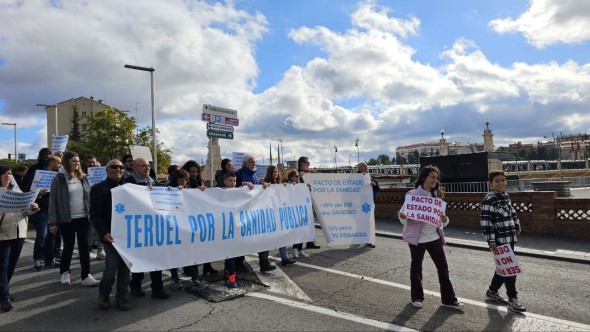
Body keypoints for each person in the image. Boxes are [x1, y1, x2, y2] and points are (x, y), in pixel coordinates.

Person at [397, 165, 463, 310]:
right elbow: (402, 214)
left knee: (443, 268)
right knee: (416, 267)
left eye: (436, 178)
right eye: (432, 177)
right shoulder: (412, 194)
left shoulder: (436, 196)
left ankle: (449, 299)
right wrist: (403, 216)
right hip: (418, 239)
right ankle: (416, 297)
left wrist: (445, 219)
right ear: (424, 177)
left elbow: (441, 220)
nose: (435, 180)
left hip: (434, 237)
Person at [48, 151, 99, 287]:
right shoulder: (58, 179)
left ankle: (86, 275)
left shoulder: (84, 177)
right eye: (73, 161)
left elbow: (89, 196)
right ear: (66, 162)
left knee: (84, 247)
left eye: (78, 161)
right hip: (67, 219)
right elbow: (53, 201)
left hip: (84, 218)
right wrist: (52, 222)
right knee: (68, 247)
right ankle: (65, 272)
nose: (77, 163)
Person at [480, 170, 526, 313]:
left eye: (502, 180)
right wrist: (491, 242)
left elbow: (512, 212)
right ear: (491, 184)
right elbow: (486, 223)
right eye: (497, 181)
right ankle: (512, 299)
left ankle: (492, 291)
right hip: (499, 240)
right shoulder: (489, 200)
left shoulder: (505, 196)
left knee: (503, 267)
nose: (500, 183)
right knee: (509, 269)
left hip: (509, 238)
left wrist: (516, 225)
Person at [125, 157, 169, 299]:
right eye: (143, 166)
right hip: (137, 226)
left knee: (156, 258)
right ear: (135, 167)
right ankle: (135, 286)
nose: (147, 168)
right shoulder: (128, 182)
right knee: (140, 258)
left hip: (153, 226)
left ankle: (157, 288)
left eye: (148, 166)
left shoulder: (153, 181)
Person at [91, 159, 132, 311]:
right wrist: (103, 232)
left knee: (125, 269)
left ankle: (122, 297)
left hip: (127, 236)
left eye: (121, 167)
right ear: (107, 170)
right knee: (112, 267)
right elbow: (94, 215)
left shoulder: (129, 188)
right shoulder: (98, 188)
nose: (118, 169)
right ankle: (104, 294)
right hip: (110, 236)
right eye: (114, 167)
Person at [0, 165, 40, 311]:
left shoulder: (17, 190)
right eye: (4, 173)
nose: (8, 176)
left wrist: (32, 208)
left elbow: (25, 211)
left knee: (11, 264)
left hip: (19, 232)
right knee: (2, 266)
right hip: (3, 233)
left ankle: (3, 292)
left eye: (9, 173)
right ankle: (4, 297)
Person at [166, 169, 206, 291]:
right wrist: (169, 191)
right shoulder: (168, 189)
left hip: (188, 227)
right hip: (173, 227)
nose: (184, 182)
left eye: (186, 180)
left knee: (191, 253)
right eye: (181, 179)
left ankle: (195, 278)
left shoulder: (189, 191)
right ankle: (175, 278)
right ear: (174, 180)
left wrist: (201, 192)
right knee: (174, 254)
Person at [236, 154, 276, 272]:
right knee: (242, 238)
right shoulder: (239, 174)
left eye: (254, 161)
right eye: (251, 162)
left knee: (263, 236)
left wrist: (263, 184)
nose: (254, 164)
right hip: (243, 212)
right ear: (245, 163)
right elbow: (233, 188)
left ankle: (264, 262)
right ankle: (238, 263)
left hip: (256, 211)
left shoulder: (254, 175)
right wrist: (243, 184)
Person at [181, 160, 218, 276]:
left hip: (201, 217)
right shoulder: (184, 183)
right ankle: (189, 270)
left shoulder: (199, 182)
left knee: (205, 244)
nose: (194, 174)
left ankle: (207, 266)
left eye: (196, 171)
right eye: (192, 172)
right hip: (188, 219)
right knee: (191, 247)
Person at [31, 155, 62, 271]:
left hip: (55, 211)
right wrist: (39, 193)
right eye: (58, 162)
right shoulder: (39, 175)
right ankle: (38, 259)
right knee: (42, 236)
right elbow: (29, 192)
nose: (60, 165)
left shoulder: (59, 176)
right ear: (52, 163)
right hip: (43, 211)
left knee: (53, 235)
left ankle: (50, 259)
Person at [262, 165, 296, 266]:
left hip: (279, 213)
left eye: (277, 171)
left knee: (282, 236)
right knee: (268, 238)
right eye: (273, 171)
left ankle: (284, 258)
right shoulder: (265, 182)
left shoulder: (279, 183)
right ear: (269, 172)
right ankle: (264, 260)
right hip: (269, 214)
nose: (276, 173)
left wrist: (285, 187)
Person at [83, 155, 106, 260]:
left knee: (100, 229)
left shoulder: (102, 175)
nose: (91, 164)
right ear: (86, 163)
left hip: (100, 206)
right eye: (89, 162)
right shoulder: (82, 176)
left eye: (93, 162)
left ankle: (100, 250)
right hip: (87, 206)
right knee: (88, 230)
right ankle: (85, 249)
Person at [297, 156, 321, 250]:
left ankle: (310, 241)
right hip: (301, 203)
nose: (309, 164)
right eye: (307, 163)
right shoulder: (297, 174)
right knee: (301, 224)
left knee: (310, 222)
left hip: (309, 202)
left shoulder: (308, 174)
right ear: (301, 164)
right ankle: (297, 246)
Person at [358, 162, 379, 248]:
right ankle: (359, 238)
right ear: (359, 168)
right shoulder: (355, 177)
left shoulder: (370, 176)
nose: (366, 168)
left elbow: (378, 188)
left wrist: (375, 184)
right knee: (360, 222)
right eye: (364, 166)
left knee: (369, 222)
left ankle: (369, 240)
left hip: (369, 204)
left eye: (366, 166)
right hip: (359, 204)